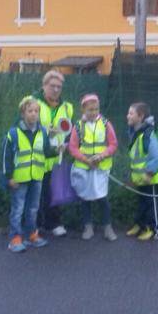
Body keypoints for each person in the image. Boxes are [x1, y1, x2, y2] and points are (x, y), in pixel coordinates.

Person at [2, 97, 53, 253]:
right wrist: (8, 177)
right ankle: (15, 238)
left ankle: (31, 234)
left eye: (36, 111)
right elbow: (6, 157)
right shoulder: (13, 134)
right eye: (30, 111)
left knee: (33, 208)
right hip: (19, 179)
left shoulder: (42, 132)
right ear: (22, 113)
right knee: (18, 209)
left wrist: (58, 150)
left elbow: (46, 151)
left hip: (37, 177)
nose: (33, 114)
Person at [28, 70, 75, 237]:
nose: (56, 90)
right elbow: (21, 125)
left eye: (59, 87)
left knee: (55, 192)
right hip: (36, 157)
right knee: (35, 193)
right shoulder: (31, 102)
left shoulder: (67, 107)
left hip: (57, 157)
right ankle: (34, 225)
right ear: (44, 86)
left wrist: (68, 143)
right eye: (52, 86)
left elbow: (70, 130)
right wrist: (45, 130)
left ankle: (53, 223)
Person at [67, 94, 118, 241]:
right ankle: (88, 227)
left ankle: (107, 227)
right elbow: (73, 148)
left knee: (102, 198)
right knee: (85, 198)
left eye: (96, 109)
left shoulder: (105, 123)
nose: (93, 112)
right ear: (83, 109)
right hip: (84, 167)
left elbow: (113, 144)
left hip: (101, 168)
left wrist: (102, 155)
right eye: (90, 110)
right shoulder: (78, 126)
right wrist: (86, 160)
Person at [125, 102, 158, 241]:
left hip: (149, 178)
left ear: (140, 116)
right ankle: (140, 225)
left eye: (131, 113)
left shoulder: (148, 134)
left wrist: (149, 173)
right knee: (141, 202)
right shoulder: (134, 132)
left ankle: (153, 229)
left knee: (151, 204)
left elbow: (156, 156)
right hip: (139, 178)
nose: (127, 116)